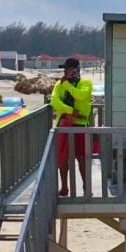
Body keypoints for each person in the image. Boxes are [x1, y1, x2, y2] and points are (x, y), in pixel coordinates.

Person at [51, 57, 94, 197]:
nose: (66, 71)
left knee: (82, 158)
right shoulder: (59, 84)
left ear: (76, 70)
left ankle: (86, 187)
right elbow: (54, 102)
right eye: (65, 69)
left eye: (69, 69)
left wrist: (68, 85)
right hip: (64, 124)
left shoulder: (85, 83)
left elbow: (81, 96)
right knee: (63, 158)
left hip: (81, 125)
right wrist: (71, 111)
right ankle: (64, 186)